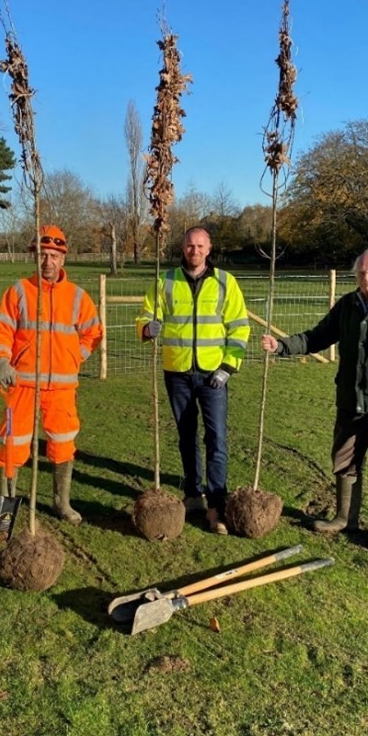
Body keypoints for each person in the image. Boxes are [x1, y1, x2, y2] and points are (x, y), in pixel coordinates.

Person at [261, 248, 368, 549]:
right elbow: (317, 336)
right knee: (345, 459)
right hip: (351, 400)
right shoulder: (348, 305)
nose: (367, 278)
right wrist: (281, 345)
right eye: (362, 272)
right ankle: (344, 518)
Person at [137, 226, 250, 535]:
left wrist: (228, 367)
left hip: (214, 375)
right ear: (182, 247)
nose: (194, 250)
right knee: (186, 436)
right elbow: (145, 316)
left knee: (216, 439)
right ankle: (192, 494)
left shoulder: (225, 283)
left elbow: (240, 327)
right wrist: (148, 329)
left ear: (209, 248)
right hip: (178, 373)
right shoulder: (165, 281)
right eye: (189, 245)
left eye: (200, 246)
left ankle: (217, 504)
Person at [0, 225, 102, 524]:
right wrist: (2, 361)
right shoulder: (18, 292)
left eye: (54, 256)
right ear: (34, 256)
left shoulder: (78, 297)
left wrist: (73, 358)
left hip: (61, 390)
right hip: (21, 386)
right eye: (42, 255)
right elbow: (2, 331)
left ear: (63, 259)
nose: (47, 262)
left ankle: (60, 503)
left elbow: (93, 334)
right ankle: (6, 511)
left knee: (63, 444)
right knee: (12, 446)